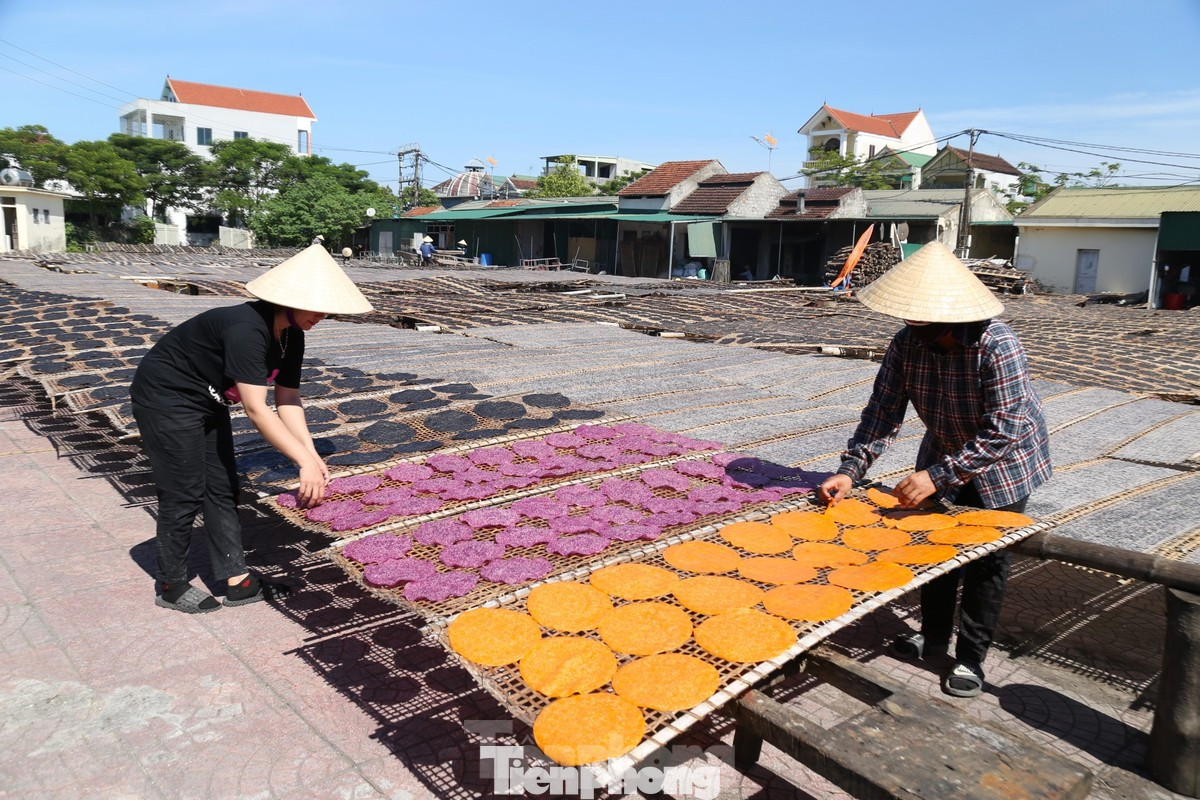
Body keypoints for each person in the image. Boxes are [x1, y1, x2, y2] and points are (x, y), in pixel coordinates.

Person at [818, 241, 1051, 698]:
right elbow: (882, 412)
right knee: (933, 548)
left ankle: (970, 659)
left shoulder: (997, 346)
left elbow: (1004, 430)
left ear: (953, 318)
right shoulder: (907, 344)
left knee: (985, 562)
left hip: (1005, 464)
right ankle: (933, 635)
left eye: (926, 325)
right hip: (944, 447)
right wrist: (850, 470)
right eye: (911, 321)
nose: (916, 331)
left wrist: (936, 477)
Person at [129, 244, 374, 613]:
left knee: (222, 487)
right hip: (167, 397)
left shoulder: (293, 336)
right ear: (290, 299)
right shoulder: (248, 329)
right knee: (184, 490)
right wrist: (302, 462)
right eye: (317, 306)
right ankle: (171, 584)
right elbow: (258, 410)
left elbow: (288, 398)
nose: (322, 315)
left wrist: (309, 455)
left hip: (208, 401)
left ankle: (237, 582)